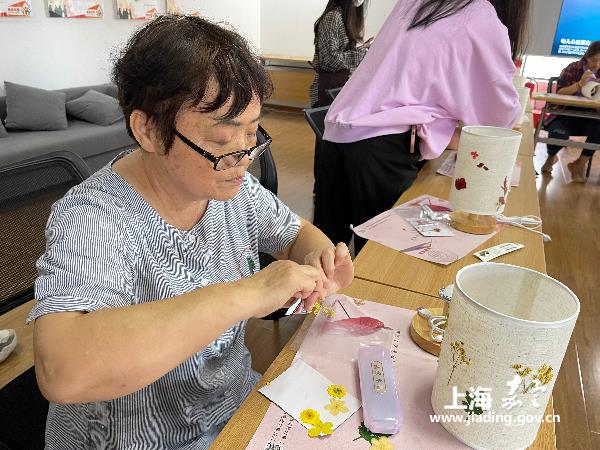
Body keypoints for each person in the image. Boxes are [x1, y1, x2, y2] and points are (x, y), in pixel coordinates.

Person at [29, 16, 354, 449]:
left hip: (232, 410)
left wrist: (319, 258)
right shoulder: (94, 218)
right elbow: (63, 371)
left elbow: (295, 234)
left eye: (252, 132)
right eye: (222, 141)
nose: (244, 156)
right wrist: (248, 293)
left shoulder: (233, 188)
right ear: (148, 129)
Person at [314, 0, 529, 253]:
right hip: (381, 144)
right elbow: (499, 115)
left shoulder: (416, 3)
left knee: (325, 251)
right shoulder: (479, 13)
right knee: (381, 256)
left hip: (338, 133)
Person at [541, 40, 600, 182]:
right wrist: (579, 84)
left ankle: (579, 164)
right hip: (565, 113)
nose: (597, 65)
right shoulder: (574, 68)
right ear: (587, 56)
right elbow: (560, 92)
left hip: (591, 115)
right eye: (594, 60)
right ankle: (551, 158)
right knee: (558, 132)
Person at [309, 0, 372, 108]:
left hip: (339, 87)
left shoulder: (345, 17)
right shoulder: (333, 17)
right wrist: (363, 51)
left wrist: (364, 48)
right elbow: (330, 59)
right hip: (329, 89)